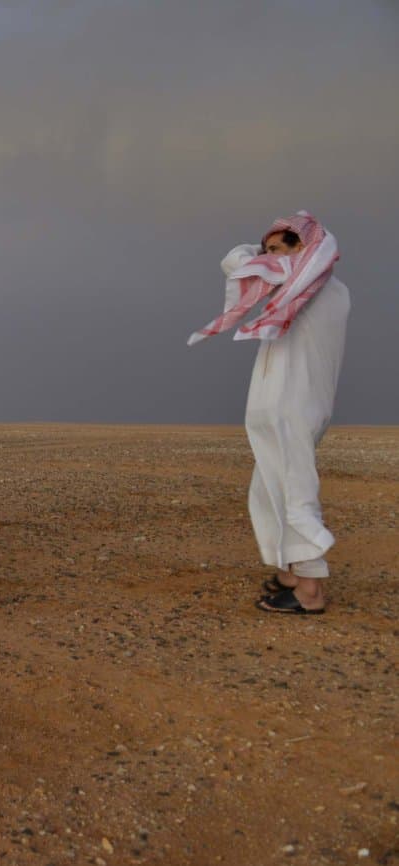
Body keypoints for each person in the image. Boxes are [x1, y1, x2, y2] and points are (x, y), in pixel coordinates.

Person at [188, 211, 350, 614]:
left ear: (306, 249)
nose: (270, 257)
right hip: (279, 407)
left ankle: (310, 589)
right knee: (269, 490)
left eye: (281, 248)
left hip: (293, 407)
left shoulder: (317, 286)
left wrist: (272, 252)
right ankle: (292, 573)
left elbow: (234, 261)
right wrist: (277, 247)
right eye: (268, 249)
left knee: (295, 491)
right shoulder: (295, 289)